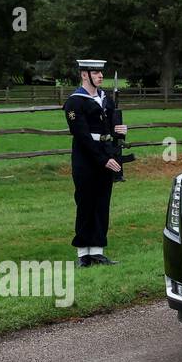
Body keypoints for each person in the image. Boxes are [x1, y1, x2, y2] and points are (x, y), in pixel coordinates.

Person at [64, 58, 126, 267]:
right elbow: (81, 136)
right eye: (95, 72)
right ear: (84, 74)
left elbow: (110, 127)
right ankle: (83, 254)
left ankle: (97, 251)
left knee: (102, 204)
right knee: (86, 204)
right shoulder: (75, 102)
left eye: (101, 72)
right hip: (86, 158)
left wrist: (120, 131)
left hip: (106, 154)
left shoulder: (105, 99)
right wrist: (103, 160)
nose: (100, 76)